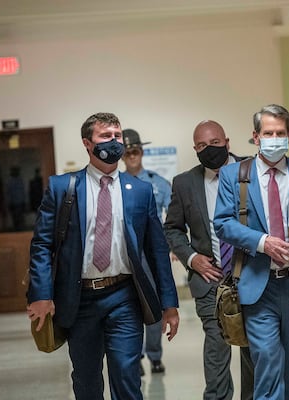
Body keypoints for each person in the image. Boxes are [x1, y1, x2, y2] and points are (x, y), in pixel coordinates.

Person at [26, 112, 179, 400]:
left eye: (117, 136)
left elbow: (157, 251)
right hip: (79, 299)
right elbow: (42, 245)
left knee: (126, 373)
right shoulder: (63, 188)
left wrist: (169, 303)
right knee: (86, 381)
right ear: (87, 143)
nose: (114, 142)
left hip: (124, 297)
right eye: (105, 136)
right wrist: (41, 294)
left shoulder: (141, 191)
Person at [214, 105, 289, 400]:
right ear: (256, 137)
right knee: (267, 361)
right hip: (258, 284)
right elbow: (223, 223)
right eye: (268, 133)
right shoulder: (234, 175)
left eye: (281, 133)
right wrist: (263, 242)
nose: (275, 138)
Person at [164, 120, 254, 400]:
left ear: (227, 141)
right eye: (202, 146)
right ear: (195, 149)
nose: (209, 149)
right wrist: (191, 258)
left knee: (254, 350)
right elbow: (172, 228)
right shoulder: (185, 183)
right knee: (217, 348)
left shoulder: (252, 170)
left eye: (214, 143)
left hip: (252, 275)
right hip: (210, 280)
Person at [121, 128, 172, 376]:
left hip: (151, 253)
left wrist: (172, 247)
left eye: (136, 150)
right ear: (122, 155)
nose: (132, 155)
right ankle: (135, 355)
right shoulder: (115, 184)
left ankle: (154, 355)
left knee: (153, 305)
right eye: (128, 151)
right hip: (126, 254)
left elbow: (172, 221)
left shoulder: (157, 183)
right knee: (130, 306)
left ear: (142, 152)